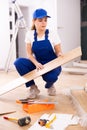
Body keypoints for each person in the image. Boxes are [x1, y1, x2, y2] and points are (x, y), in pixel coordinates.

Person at [14, 8, 63, 99]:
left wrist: (60, 54)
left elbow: (58, 51)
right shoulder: (29, 34)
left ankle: (50, 86)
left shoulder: (52, 33)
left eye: (45, 20)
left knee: (51, 77)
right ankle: (33, 87)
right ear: (34, 21)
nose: (43, 23)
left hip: (52, 65)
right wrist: (36, 63)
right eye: (40, 20)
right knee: (18, 62)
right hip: (38, 64)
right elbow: (29, 54)